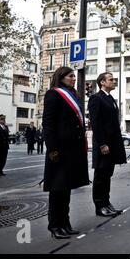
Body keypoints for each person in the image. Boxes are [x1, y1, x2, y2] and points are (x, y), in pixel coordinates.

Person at [42, 66, 90, 239]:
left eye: (73, 76)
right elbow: (48, 124)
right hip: (60, 149)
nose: (73, 79)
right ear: (61, 77)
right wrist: (52, 149)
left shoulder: (73, 95)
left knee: (66, 189)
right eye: (70, 76)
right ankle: (55, 225)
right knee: (57, 189)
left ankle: (65, 223)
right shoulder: (53, 94)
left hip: (72, 149)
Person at [88, 72, 126, 217]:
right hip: (103, 144)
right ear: (102, 82)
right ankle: (99, 206)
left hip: (113, 143)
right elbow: (96, 123)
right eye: (111, 79)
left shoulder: (110, 99)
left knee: (107, 175)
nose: (114, 81)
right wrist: (102, 144)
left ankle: (106, 203)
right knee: (101, 176)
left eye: (114, 79)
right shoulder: (96, 98)